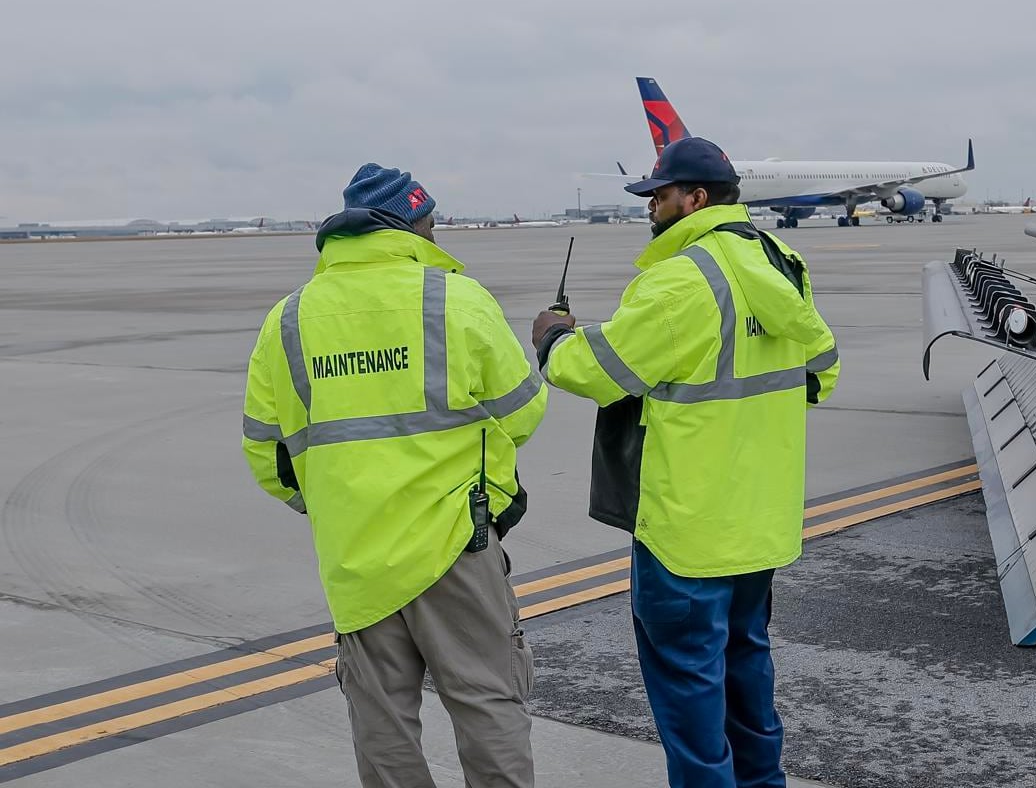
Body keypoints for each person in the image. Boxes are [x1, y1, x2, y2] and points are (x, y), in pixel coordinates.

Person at [531, 137, 837, 788]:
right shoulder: (783, 263)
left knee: (691, 701)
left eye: (658, 196)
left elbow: (600, 372)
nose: (650, 208)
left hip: (687, 532)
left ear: (694, 199)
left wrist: (554, 339)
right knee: (748, 673)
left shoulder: (679, 281)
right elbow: (821, 372)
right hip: (759, 526)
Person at [241, 163, 547, 788]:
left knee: (381, 723)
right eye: (432, 225)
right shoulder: (454, 297)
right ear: (411, 226)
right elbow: (524, 411)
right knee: (487, 701)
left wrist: (337, 500)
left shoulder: (290, 319)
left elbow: (266, 454)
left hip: (355, 555)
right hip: (457, 543)